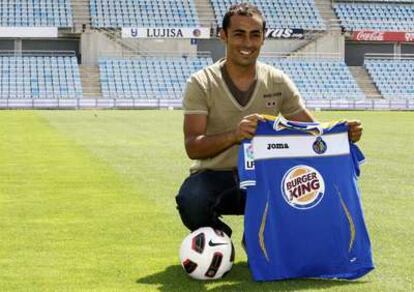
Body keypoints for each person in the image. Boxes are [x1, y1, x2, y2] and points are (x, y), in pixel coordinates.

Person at [175, 3, 363, 237]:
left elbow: (310, 130)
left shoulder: (277, 81)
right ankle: (219, 241)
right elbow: (193, 146)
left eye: (255, 35)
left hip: (266, 175)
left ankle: (257, 240)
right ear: (223, 36)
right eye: (239, 35)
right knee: (192, 200)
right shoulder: (201, 82)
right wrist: (235, 135)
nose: (247, 43)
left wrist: (341, 134)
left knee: (301, 188)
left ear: (264, 38)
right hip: (216, 174)